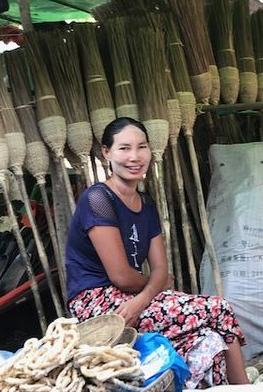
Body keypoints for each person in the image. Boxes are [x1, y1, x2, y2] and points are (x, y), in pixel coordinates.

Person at [66, 117, 249, 388]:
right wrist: (157, 285)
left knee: (209, 339)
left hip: (134, 298)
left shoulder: (147, 205)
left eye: (141, 147)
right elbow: (121, 276)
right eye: (124, 148)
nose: (135, 156)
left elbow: (161, 268)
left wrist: (147, 294)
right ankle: (245, 387)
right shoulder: (98, 200)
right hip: (97, 303)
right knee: (218, 308)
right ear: (107, 153)